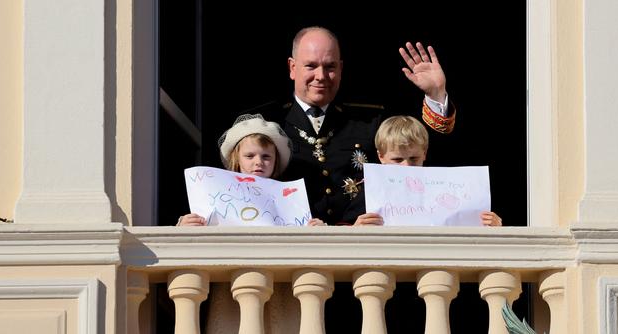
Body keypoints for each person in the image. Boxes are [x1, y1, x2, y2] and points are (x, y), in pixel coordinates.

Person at [244, 26, 456, 226]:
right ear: (292, 67)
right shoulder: (263, 122)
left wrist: (435, 94)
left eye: (330, 67)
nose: (321, 76)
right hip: (287, 249)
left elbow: (422, 154)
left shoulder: (369, 121)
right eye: (311, 66)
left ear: (341, 68)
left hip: (362, 247)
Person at [177, 113, 326, 226]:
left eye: (266, 157)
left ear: (276, 161)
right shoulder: (213, 192)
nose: (258, 162)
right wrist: (185, 225)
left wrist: (316, 229)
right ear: (237, 159)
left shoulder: (292, 200)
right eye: (249, 156)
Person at [370, 115, 502, 226]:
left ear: (424, 153)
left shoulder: (447, 187)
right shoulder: (369, 194)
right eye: (397, 160)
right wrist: (355, 229)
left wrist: (495, 227)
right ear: (381, 156)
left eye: (414, 158)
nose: (407, 166)